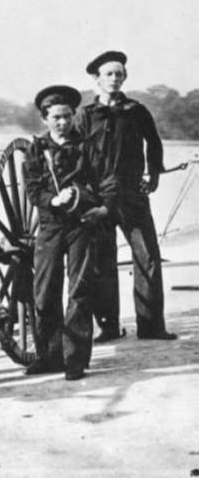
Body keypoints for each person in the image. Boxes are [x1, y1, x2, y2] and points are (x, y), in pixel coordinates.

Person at [77, 51, 177, 341]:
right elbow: (75, 155)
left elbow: (154, 144)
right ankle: (109, 327)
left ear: (125, 78)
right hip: (98, 200)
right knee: (101, 263)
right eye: (108, 74)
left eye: (119, 74)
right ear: (96, 79)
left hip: (133, 195)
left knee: (147, 258)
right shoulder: (84, 116)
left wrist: (153, 174)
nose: (114, 79)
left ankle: (151, 326)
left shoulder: (136, 111)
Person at [23, 85, 118, 381]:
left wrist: (101, 209)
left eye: (67, 117)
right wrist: (51, 200)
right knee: (45, 290)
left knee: (79, 291)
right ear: (45, 119)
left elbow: (106, 182)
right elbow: (32, 188)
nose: (63, 123)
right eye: (56, 118)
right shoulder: (36, 149)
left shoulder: (88, 145)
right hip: (50, 226)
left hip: (82, 225)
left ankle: (75, 359)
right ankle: (49, 357)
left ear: (74, 116)